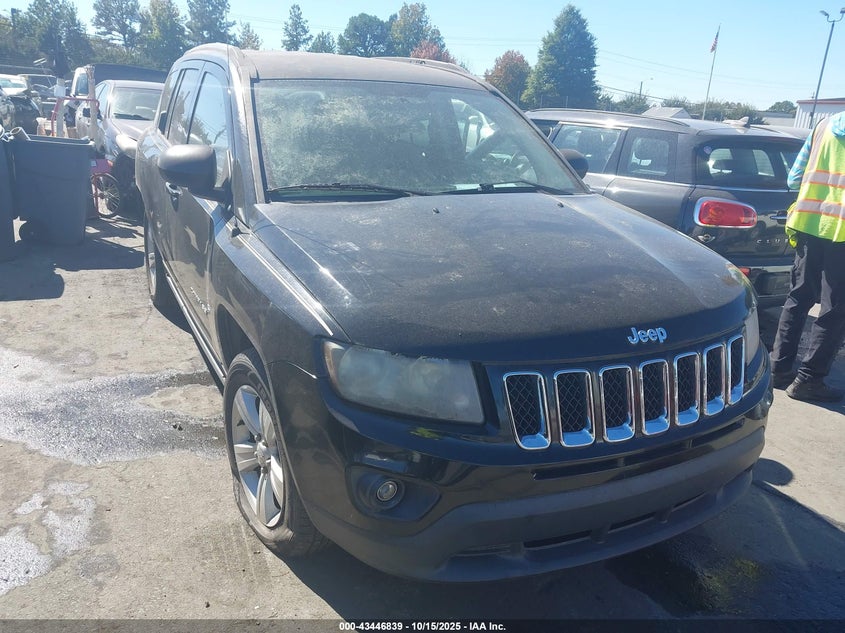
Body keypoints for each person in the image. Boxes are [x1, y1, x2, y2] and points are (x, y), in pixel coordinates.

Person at [769, 111, 845, 402]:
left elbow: (795, 177)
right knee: (834, 308)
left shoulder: (824, 125)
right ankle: (809, 380)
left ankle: (779, 369)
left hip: (807, 222)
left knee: (799, 297)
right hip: (841, 231)